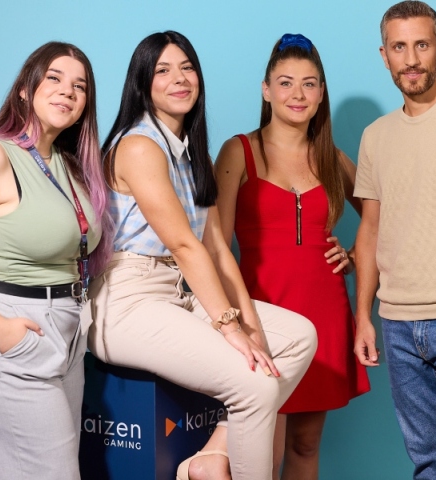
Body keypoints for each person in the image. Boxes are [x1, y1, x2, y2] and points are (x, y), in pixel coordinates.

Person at [87, 30, 317, 480]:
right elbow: (184, 244)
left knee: (299, 337)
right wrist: (229, 326)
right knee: (253, 383)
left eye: (187, 68)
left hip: (179, 291)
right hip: (127, 301)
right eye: (163, 70)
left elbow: (216, 249)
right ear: (142, 84)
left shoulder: (194, 154)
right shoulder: (138, 146)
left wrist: (251, 327)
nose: (179, 78)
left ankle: (210, 456)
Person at [215, 34, 370, 480]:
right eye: (285, 83)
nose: (297, 94)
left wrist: (354, 254)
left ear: (321, 94)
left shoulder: (332, 158)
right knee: (263, 450)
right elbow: (215, 245)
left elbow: (381, 222)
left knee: (305, 444)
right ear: (266, 90)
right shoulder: (238, 150)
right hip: (261, 313)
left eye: (309, 83)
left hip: (325, 314)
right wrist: (232, 319)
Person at [0, 42, 110, 479]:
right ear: (25, 89)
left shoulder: (70, 166)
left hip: (68, 333)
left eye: (80, 86)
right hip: (13, 326)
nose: (67, 91)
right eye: (54, 78)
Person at [353, 1, 436, 478]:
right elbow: (370, 228)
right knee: (427, 464)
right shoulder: (375, 136)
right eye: (399, 47)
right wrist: (363, 315)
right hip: (396, 325)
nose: (411, 59)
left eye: (422, 45)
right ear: (384, 56)